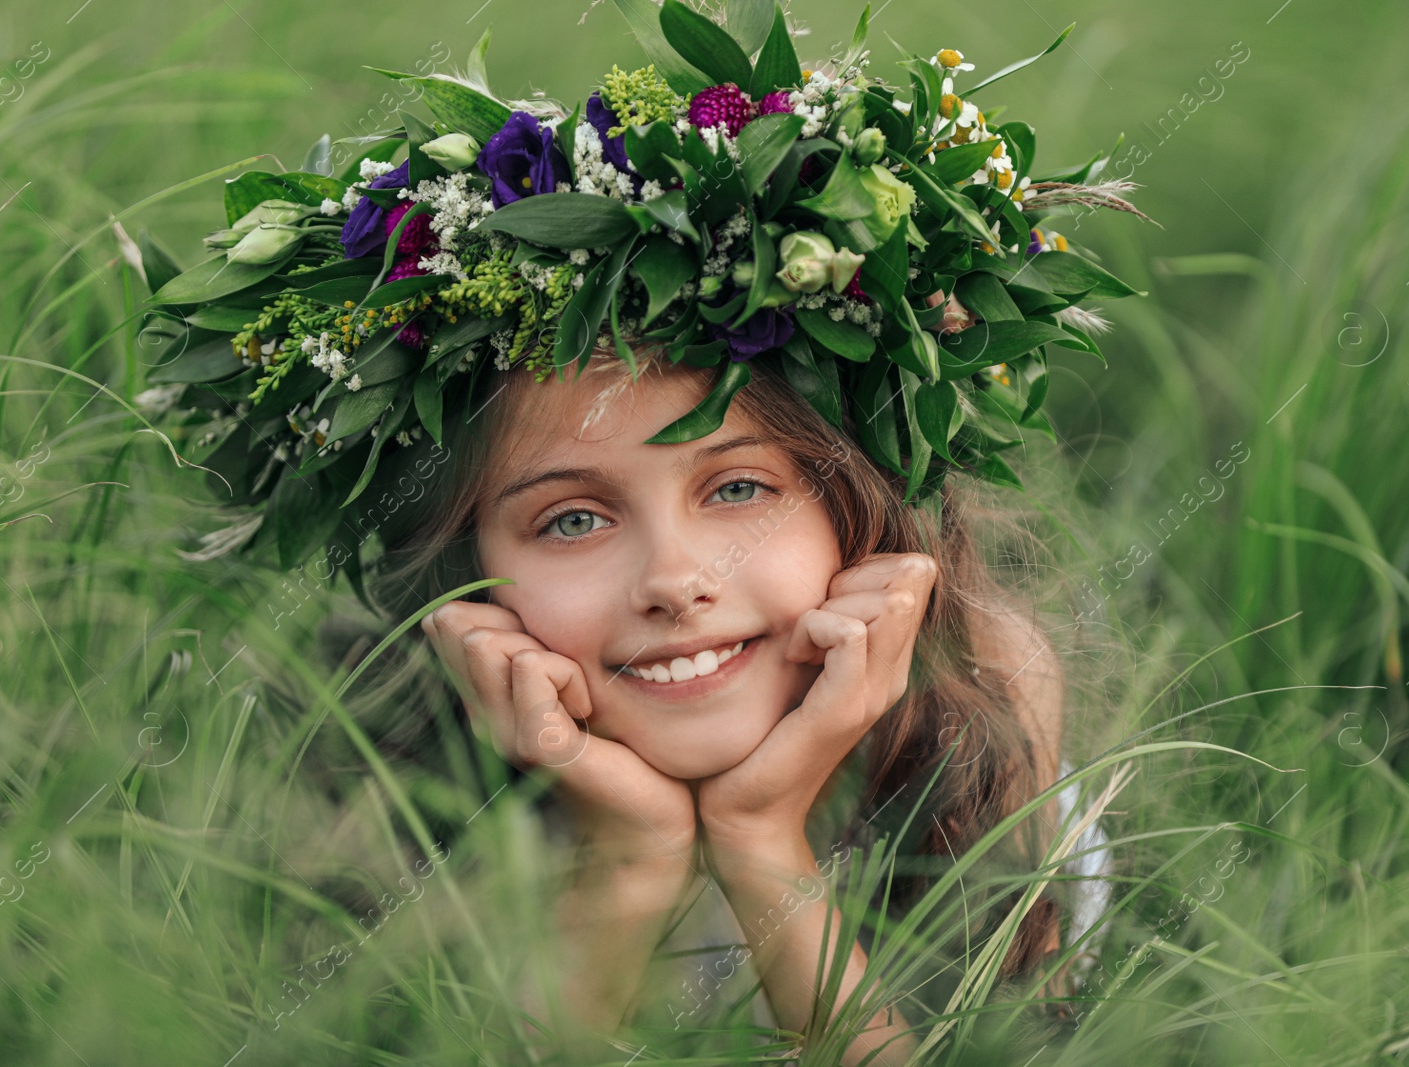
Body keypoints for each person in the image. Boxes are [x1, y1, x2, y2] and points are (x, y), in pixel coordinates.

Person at [368, 291, 1104, 1063]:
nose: (676, 580)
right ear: (470, 574)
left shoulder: (984, 692)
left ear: (861, 501)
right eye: (574, 519)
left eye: (737, 488)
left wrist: (762, 843)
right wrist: (628, 857)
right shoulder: (392, 774)